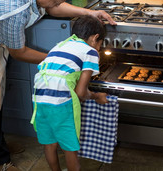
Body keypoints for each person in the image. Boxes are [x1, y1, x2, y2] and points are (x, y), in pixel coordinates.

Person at [0, 0, 115, 171]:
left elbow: (54, 7)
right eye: (56, 1)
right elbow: (18, 52)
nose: (57, 5)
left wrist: (89, 13)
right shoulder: (13, 7)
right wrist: (60, 60)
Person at [31, 16, 108, 171]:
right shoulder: (91, 51)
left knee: (50, 144)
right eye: (100, 44)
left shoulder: (61, 45)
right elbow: (80, 92)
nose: (99, 48)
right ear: (95, 38)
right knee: (70, 148)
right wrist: (96, 96)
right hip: (61, 102)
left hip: (39, 97)